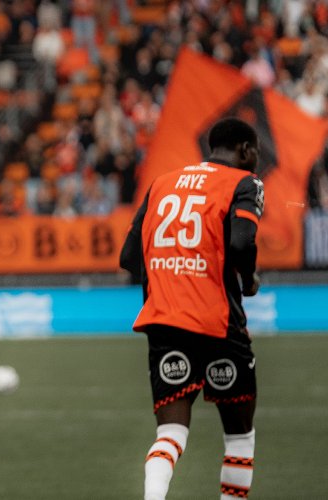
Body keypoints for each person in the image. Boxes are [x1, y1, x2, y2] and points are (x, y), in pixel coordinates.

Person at [119, 118, 263, 500]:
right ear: (246, 151)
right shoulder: (243, 183)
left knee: (170, 434)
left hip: (165, 321)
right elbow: (243, 243)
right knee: (239, 438)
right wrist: (247, 280)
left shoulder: (160, 184)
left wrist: (170, 276)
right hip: (218, 324)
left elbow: (129, 256)